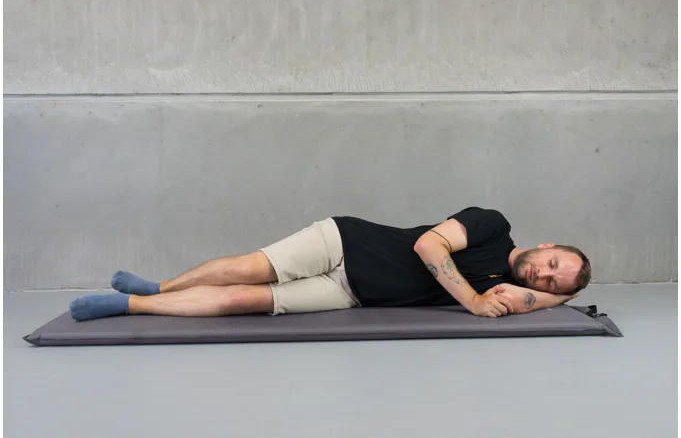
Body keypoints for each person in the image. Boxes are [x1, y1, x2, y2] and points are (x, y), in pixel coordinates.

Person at [69, 206, 591, 321]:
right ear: (546, 244)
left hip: (350, 294)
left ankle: (129, 305)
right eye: (552, 262)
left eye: (552, 281)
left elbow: (536, 300)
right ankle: (158, 286)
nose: (542, 275)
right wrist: (473, 300)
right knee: (249, 269)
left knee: (240, 301)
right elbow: (429, 247)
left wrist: (566, 293)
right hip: (345, 244)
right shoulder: (492, 225)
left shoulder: (514, 287)